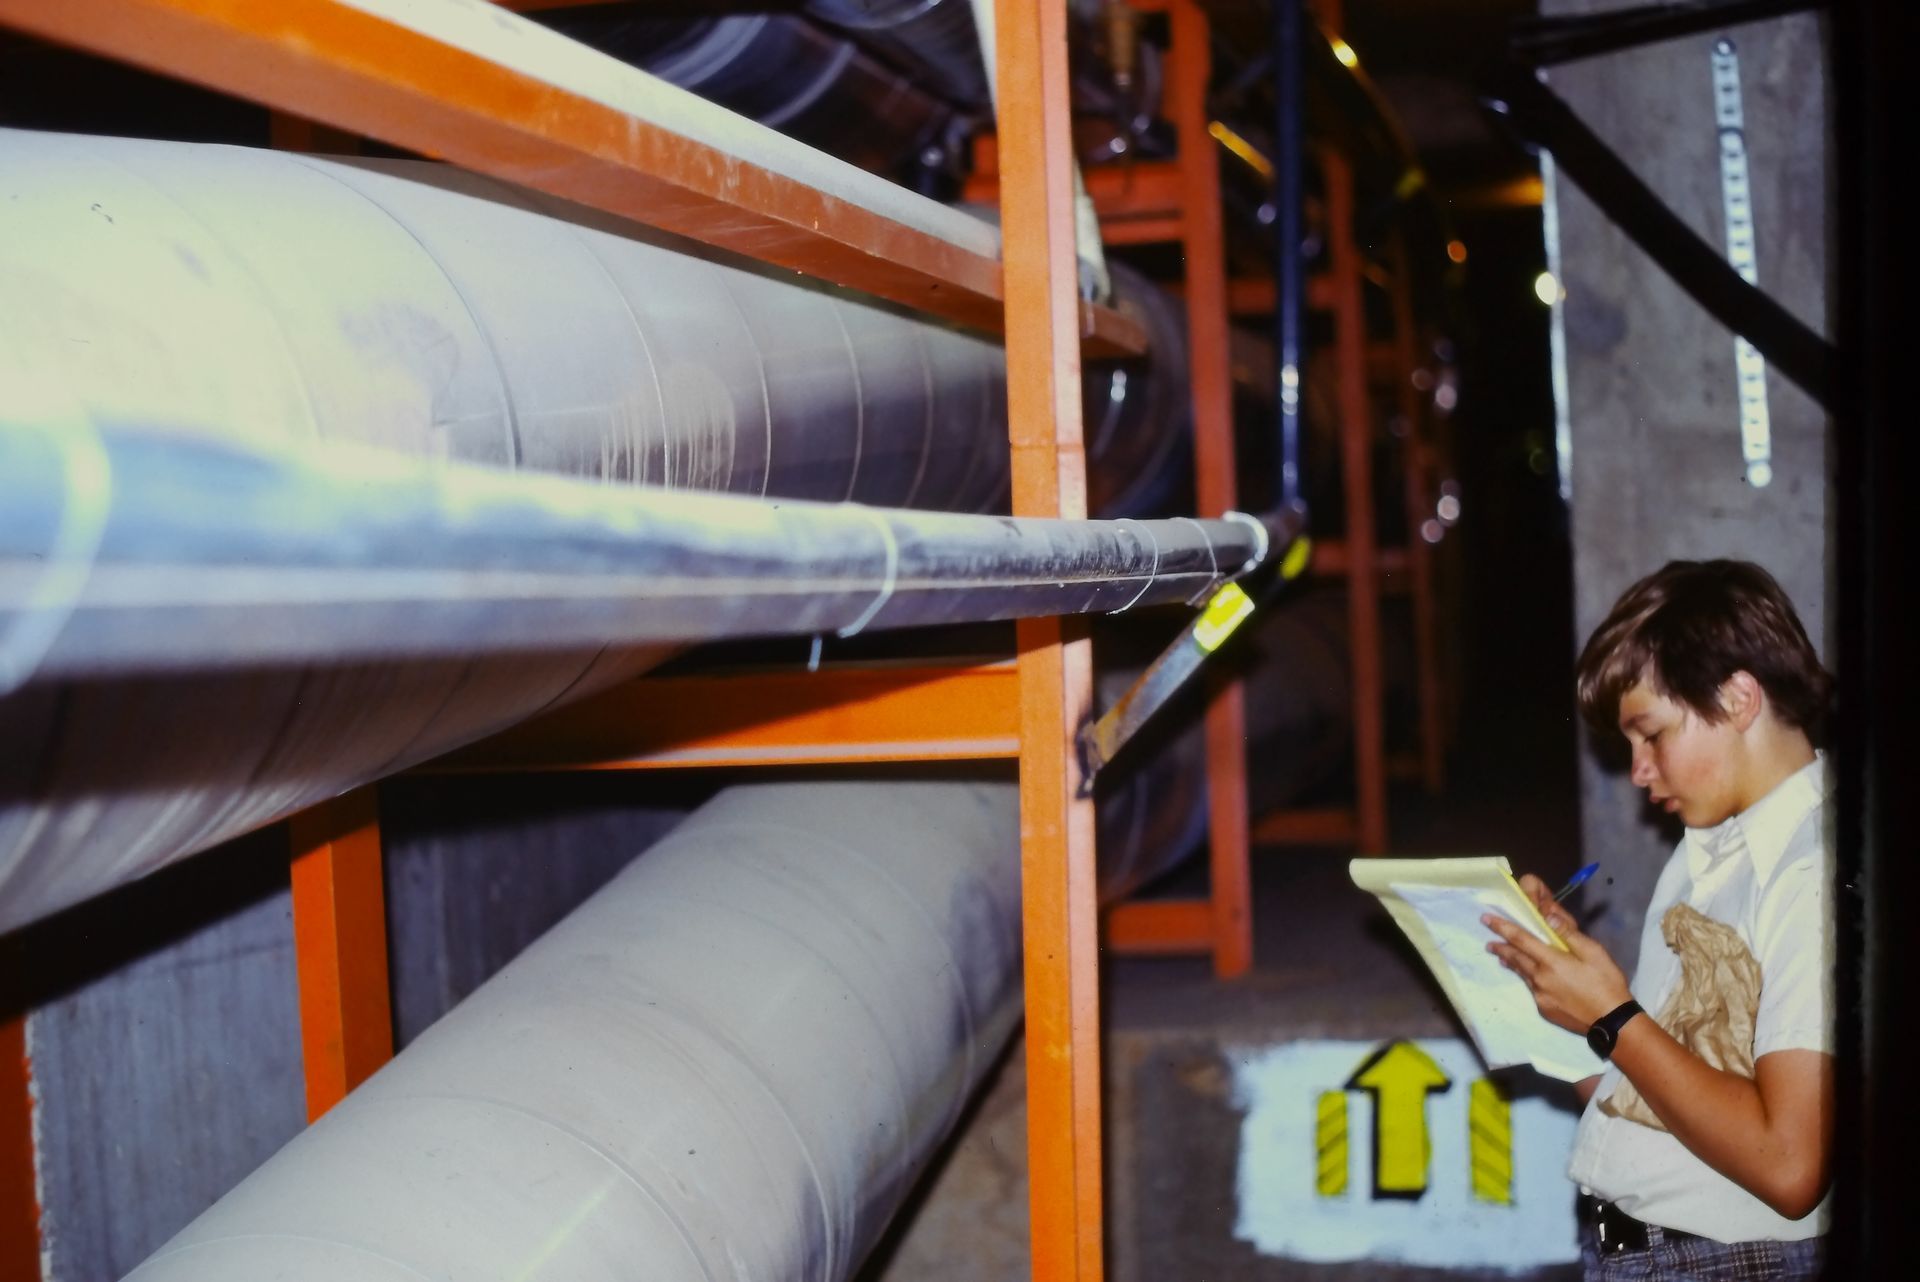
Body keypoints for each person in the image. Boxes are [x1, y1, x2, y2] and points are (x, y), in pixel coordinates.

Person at [1482, 560, 1834, 1281]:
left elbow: (1791, 1166)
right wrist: (1561, 993)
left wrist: (1612, 1015)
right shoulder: (1707, 852)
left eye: (1651, 735)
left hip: (1733, 1263)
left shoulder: (1816, 870)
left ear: (1738, 699)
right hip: (1643, 1249)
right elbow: (1651, 1094)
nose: (1638, 772)